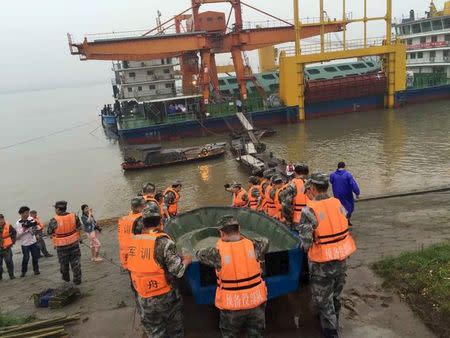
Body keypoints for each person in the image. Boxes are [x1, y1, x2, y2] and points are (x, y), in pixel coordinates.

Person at [298, 173, 357, 338]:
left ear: (313, 188)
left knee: (324, 301)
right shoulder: (338, 203)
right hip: (341, 259)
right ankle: (334, 322)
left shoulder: (309, 211)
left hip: (321, 264)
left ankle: (331, 333)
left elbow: (306, 243)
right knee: (336, 296)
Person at [196, 215, 269, 338]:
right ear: (239, 229)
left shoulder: (216, 253)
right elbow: (266, 241)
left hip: (232, 308)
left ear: (221, 232)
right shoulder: (254, 246)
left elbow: (199, 254)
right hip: (256, 302)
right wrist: (244, 239)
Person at [127, 204, 192, 337]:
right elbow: (178, 271)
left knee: (155, 332)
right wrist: (186, 260)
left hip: (144, 298)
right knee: (175, 330)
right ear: (161, 222)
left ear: (143, 224)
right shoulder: (164, 243)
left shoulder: (133, 242)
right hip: (166, 298)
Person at [47, 201, 82, 284]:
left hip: (61, 247)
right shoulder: (74, 216)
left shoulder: (54, 220)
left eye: (55, 208)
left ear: (58, 209)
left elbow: (49, 232)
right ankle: (77, 280)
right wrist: (79, 237)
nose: (55, 210)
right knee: (76, 263)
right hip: (74, 244)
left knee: (64, 264)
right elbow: (79, 227)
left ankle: (66, 280)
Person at [118, 197, 146, 269]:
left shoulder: (123, 219)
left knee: (132, 274)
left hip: (125, 254)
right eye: (144, 206)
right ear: (140, 208)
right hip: (136, 253)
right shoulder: (140, 220)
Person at [280, 164, 310, 228]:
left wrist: (288, 220)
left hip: (297, 221)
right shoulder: (312, 184)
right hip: (311, 221)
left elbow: (285, 204)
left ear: (295, 172)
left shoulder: (292, 185)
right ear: (307, 173)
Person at [14, 206, 40, 277]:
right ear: (21, 214)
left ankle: (36, 270)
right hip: (25, 244)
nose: (27, 214)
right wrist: (25, 229)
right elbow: (18, 235)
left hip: (33, 241)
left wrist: (35, 231)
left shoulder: (31, 219)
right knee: (26, 258)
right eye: (25, 213)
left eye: (28, 212)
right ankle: (23, 272)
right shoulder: (18, 223)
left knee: (35, 256)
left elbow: (35, 227)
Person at [0, 214, 16, 280]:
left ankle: (11, 274)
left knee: (9, 261)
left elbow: (14, 233)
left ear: (3, 219)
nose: (0, 221)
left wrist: (12, 242)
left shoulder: (9, 226)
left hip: (7, 248)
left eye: (1, 219)